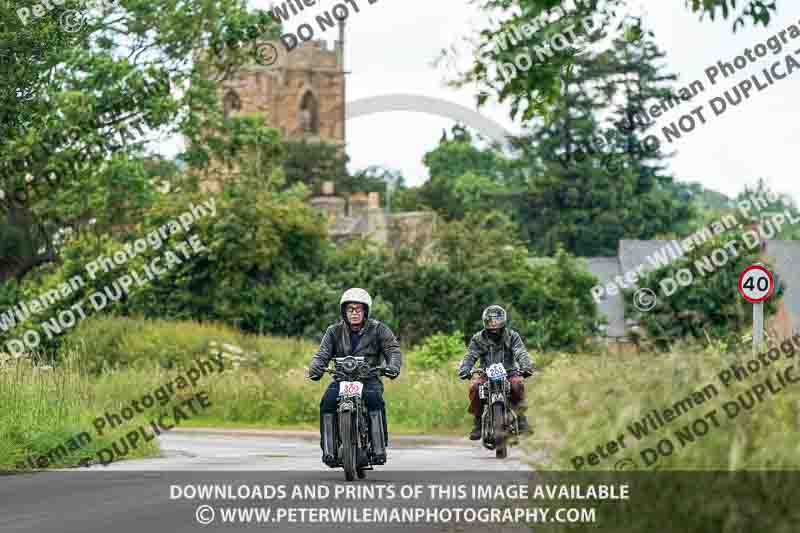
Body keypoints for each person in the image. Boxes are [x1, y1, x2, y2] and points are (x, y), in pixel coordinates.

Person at [306, 288, 402, 467]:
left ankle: (379, 449)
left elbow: (393, 350)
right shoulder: (333, 331)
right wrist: (315, 368)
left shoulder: (379, 329)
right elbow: (321, 355)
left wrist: (392, 366)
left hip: (369, 379)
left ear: (366, 311)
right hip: (342, 379)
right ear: (344, 311)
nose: (355, 313)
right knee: (327, 402)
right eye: (350, 309)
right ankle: (329, 450)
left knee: (375, 401)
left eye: (358, 309)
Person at [457, 305, 534, 440]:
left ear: (503, 320)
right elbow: (471, 355)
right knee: (475, 387)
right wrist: (465, 369)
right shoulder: (478, 338)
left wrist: (526, 366)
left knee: (517, 384)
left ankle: (521, 419)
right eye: (491, 320)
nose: (494, 323)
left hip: (510, 372)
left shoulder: (512, 336)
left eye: (497, 320)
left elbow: (520, 352)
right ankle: (478, 422)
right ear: (485, 321)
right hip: (486, 373)